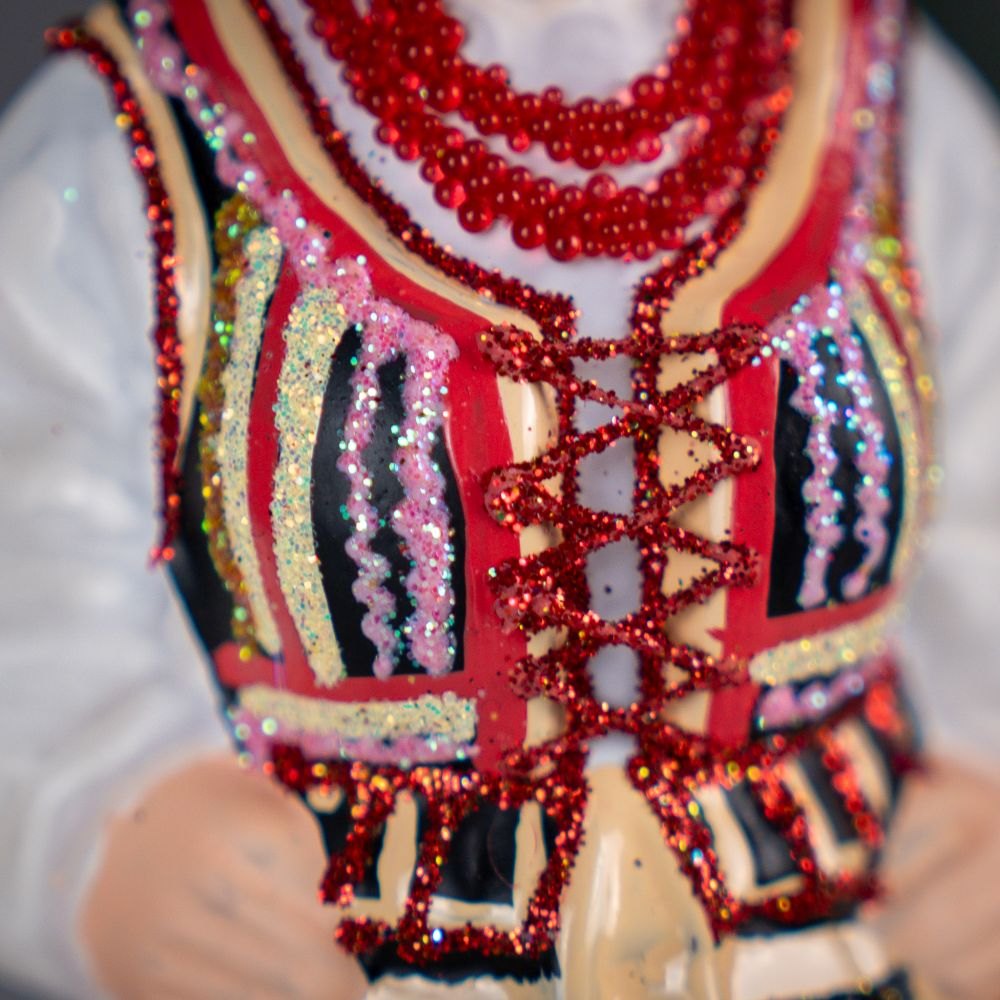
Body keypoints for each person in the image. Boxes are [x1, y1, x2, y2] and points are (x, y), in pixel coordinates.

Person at [0, 1, 998, 997]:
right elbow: (31, 563)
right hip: (350, 952)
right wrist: (101, 827)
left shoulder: (872, 88)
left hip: (835, 939)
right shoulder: (142, 112)